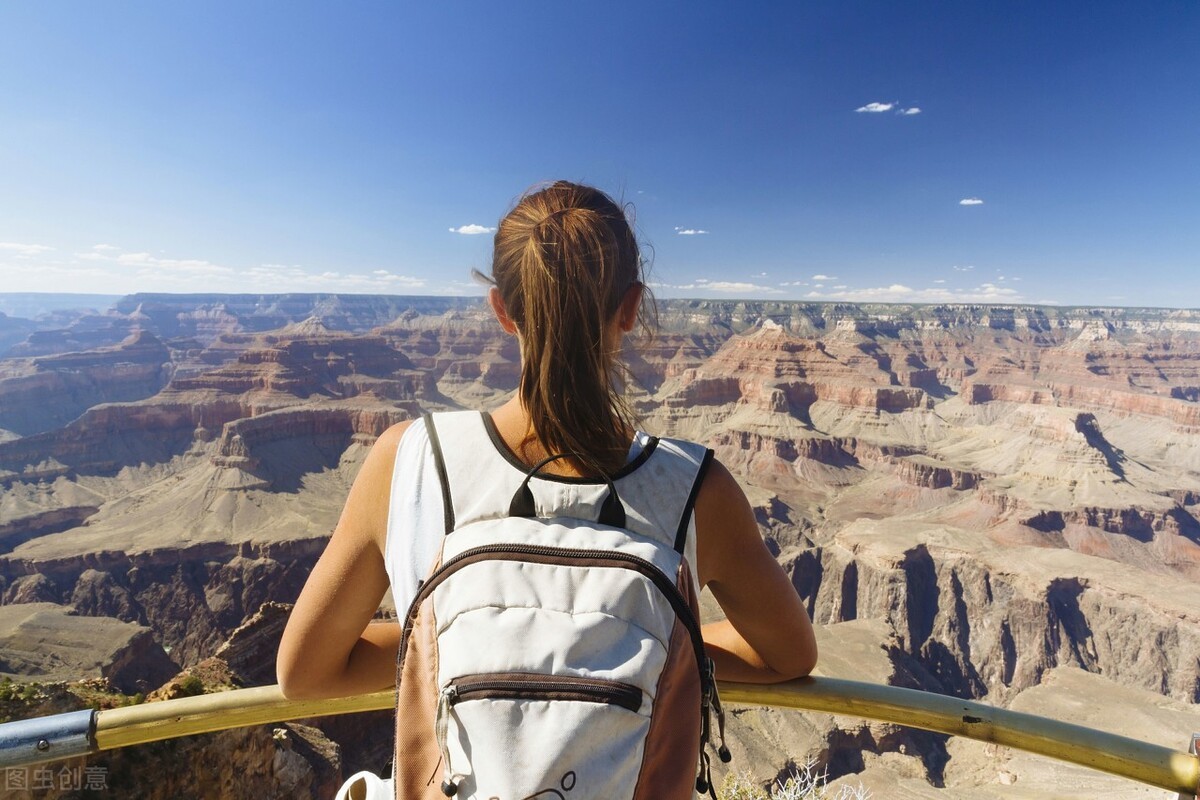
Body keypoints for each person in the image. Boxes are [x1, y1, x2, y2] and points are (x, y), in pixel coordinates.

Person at [277, 180, 817, 791]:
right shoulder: (696, 490)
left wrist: (456, 646)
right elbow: (788, 655)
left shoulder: (408, 462)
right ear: (631, 307)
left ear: (502, 310)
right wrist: (651, 653)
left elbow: (306, 672)